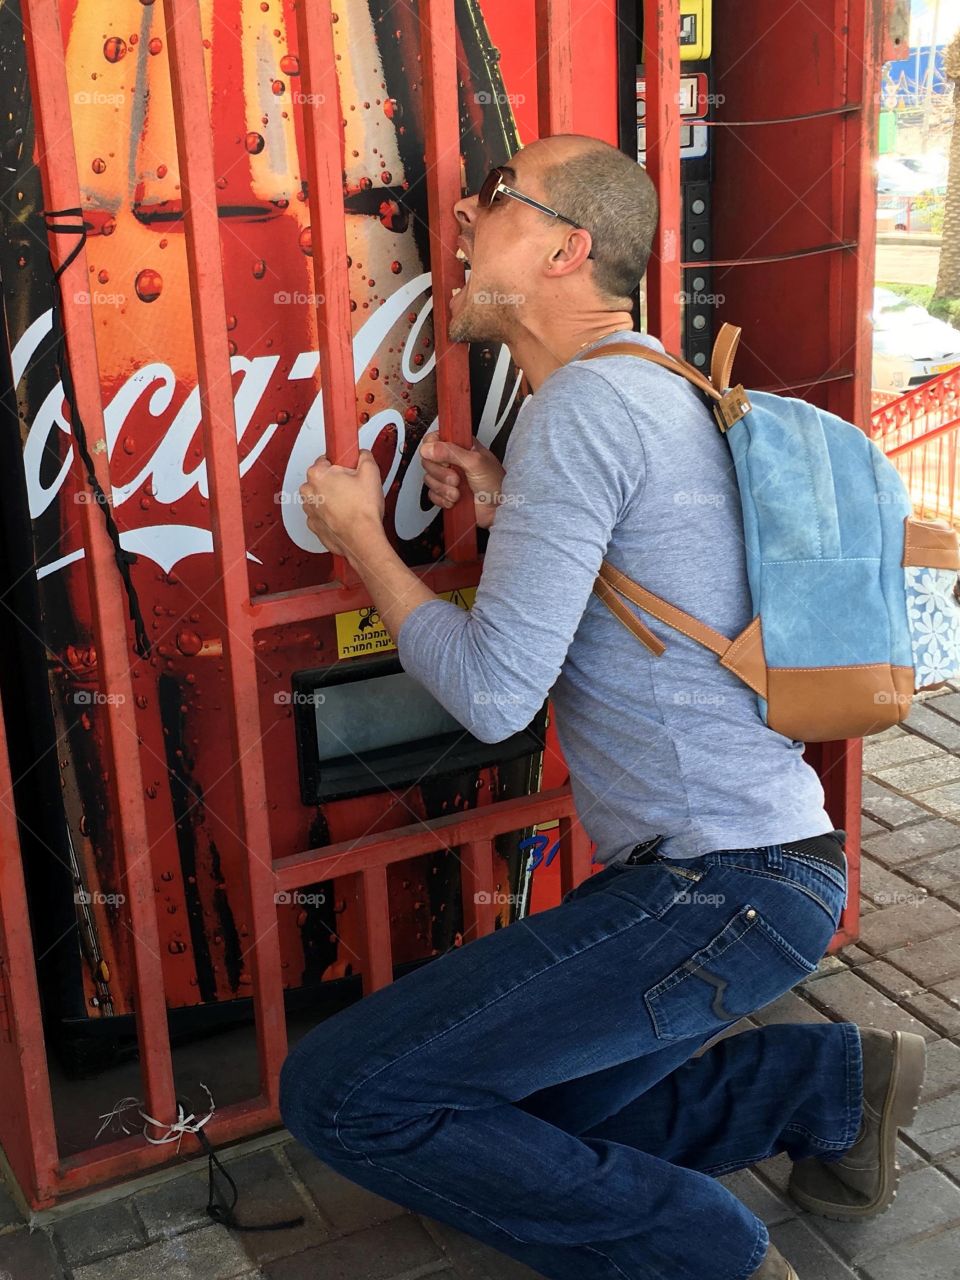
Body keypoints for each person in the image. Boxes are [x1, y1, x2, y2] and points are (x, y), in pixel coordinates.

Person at [279, 134, 926, 1280]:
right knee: (533, 1127)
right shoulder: (651, 387)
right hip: (768, 872)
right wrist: (508, 497)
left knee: (345, 1094)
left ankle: (708, 1255)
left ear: (569, 248)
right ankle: (829, 1084)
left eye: (496, 204)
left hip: (712, 887)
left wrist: (365, 543)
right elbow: (643, 571)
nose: (465, 226)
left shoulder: (581, 407)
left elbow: (491, 695)